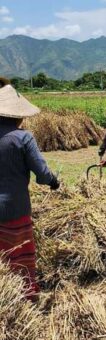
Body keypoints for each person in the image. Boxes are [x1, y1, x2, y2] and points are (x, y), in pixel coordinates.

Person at [0, 81, 60, 301]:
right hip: (13, 209)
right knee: (18, 259)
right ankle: (24, 299)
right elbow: (43, 174)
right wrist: (54, 181)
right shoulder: (22, 138)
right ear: (18, 115)